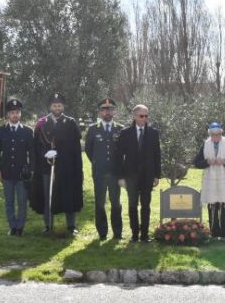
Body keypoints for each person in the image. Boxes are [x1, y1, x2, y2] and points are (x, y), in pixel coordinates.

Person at [31, 92, 84, 236]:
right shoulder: (42, 123)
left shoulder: (71, 122)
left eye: (59, 105)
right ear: (50, 107)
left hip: (66, 167)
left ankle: (71, 225)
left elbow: (75, 147)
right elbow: (36, 146)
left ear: (63, 106)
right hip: (47, 167)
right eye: (54, 105)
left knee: (68, 194)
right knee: (48, 195)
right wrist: (45, 155)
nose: (57, 108)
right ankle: (48, 225)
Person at [116, 104, 162, 242]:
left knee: (146, 206)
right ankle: (135, 234)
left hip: (148, 176)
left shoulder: (154, 133)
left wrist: (156, 175)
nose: (144, 118)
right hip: (131, 176)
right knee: (132, 205)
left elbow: (157, 155)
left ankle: (145, 234)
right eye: (142, 116)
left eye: (146, 116)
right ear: (134, 116)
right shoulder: (125, 133)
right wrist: (121, 177)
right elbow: (119, 156)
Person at [84, 98, 124, 240]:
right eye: (104, 109)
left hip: (115, 173)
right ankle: (102, 232)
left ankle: (117, 232)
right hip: (99, 173)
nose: (107, 112)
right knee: (100, 203)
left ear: (114, 111)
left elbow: (124, 151)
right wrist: (97, 162)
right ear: (100, 112)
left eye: (110, 109)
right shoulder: (93, 129)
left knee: (116, 203)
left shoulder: (120, 129)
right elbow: (88, 150)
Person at [0, 98, 34, 236]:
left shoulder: (28, 131)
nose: (15, 115)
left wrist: (31, 170)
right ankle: (13, 227)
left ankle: (20, 227)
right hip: (6, 173)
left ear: (20, 114)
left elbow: (32, 153)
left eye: (17, 112)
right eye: (12, 113)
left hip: (22, 174)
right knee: (9, 202)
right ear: (8, 115)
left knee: (22, 202)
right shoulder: (0, 131)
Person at [193, 122, 225, 239]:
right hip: (210, 179)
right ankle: (214, 233)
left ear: (221, 133)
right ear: (210, 134)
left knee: (224, 205)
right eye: (213, 134)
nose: (216, 137)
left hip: (224, 178)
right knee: (212, 205)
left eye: (218, 134)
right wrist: (207, 162)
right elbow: (197, 163)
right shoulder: (205, 144)